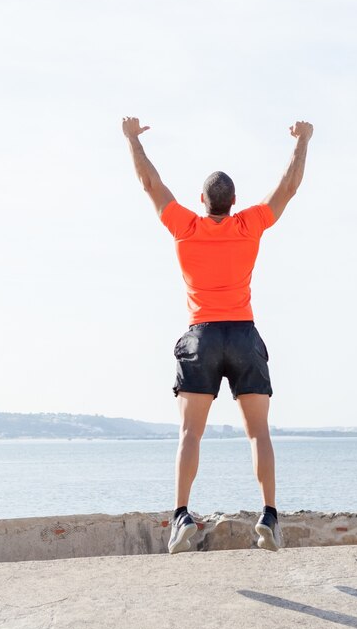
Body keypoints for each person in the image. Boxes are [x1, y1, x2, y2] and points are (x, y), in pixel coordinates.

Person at [122, 116, 313, 554]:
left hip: (202, 336)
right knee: (257, 434)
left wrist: (132, 139)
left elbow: (150, 183)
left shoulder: (185, 227)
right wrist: (302, 141)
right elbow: (289, 186)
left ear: (202, 200)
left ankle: (181, 517)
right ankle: (268, 516)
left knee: (190, 434)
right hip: (243, 335)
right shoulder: (249, 225)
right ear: (234, 202)